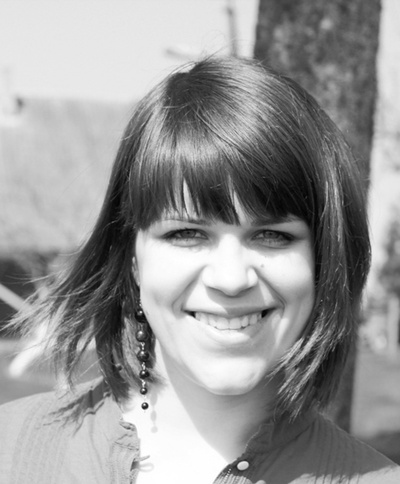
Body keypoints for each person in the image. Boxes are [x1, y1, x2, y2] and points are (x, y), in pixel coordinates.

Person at [0, 56, 399, 484]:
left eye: (272, 235)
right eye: (187, 234)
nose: (231, 279)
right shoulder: (11, 450)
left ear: (323, 262)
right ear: (132, 259)